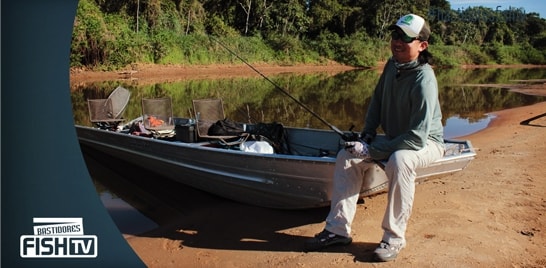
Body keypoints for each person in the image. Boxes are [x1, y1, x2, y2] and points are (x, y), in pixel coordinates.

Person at [304, 14, 445, 262]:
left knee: (401, 161)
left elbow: (416, 139)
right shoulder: (392, 65)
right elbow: (378, 101)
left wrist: (370, 151)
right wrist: (367, 135)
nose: (397, 42)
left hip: (426, 143)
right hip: (398, 138)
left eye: (405, 38)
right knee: (347, 156)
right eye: (395, 35)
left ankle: (393, 238)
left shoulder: (425, 80)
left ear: (422, 45)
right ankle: (337, 230)